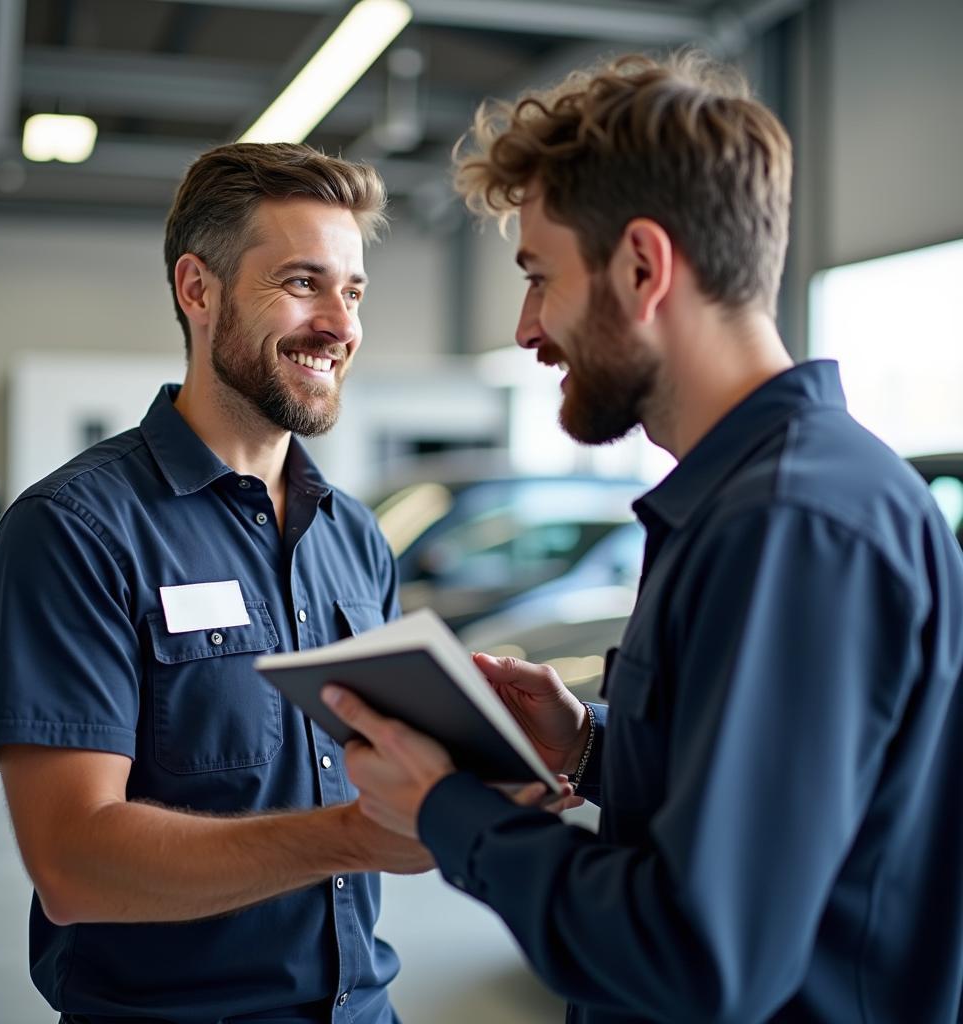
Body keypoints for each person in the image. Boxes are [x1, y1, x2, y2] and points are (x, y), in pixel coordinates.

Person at [321, 53, 963, 1023]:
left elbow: (702, 956)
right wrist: (587, 749)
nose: (528, 328)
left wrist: (447, 811)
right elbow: (791, 807)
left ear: (641, 267)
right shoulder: (750, 501)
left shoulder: (790, 526)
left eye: (540, 278)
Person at [0, 143, 434, 1024]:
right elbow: (72, 862)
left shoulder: (356, 538)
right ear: (198, 289)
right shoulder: (75, 533)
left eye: (354, 290)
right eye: (303, 282)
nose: (339, 324)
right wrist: (347, 838)